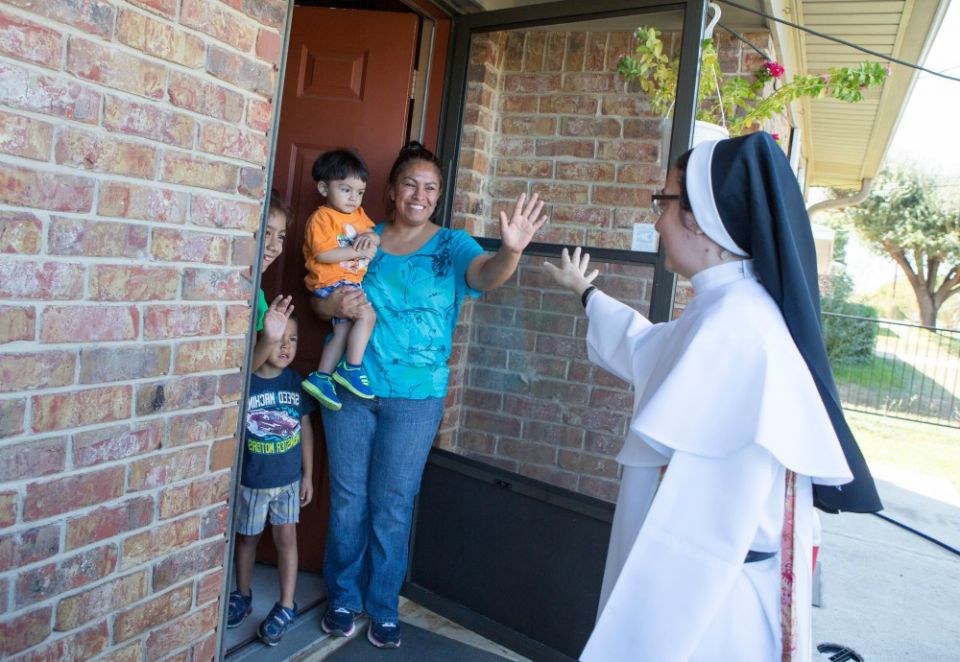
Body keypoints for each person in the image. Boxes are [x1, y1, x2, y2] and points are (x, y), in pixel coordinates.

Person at [543, 131, 881, 661]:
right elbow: (647, 349)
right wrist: (586, 294)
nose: (656, 221)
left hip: (705, 617)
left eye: (664, 202)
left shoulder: (738, 330)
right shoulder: (726, 308)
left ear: (698, 217)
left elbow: (700, 537)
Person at [314, 141, 547, 649]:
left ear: (437, 196)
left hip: (416, 399)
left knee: (392, 503)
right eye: (410, 185)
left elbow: (485, 275)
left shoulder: (452, 245)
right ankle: (343, 597)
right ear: (392, 192)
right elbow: (324, 300)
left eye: (430, 187)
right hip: (353, 390)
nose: (420, 195)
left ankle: (382, 604)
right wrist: (334, 304)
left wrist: (511, 251)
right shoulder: (362, 238)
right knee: (349, 500)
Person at [227, 314, 315, 647]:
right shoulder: (247, 381)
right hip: (252, 480)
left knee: (287, 540)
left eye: (292, 339)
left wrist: (308, 473)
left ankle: (286, 605)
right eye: (279, 338)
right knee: (247, 540)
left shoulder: (295, 381)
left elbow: (305, 429)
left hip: (289, 481)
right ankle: (243, 594)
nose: (286, 346)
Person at [301, 149, 380, 411]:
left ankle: (322, 377)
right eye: (346, 190)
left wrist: (373, 239)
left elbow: (372, 232)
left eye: (359, 192)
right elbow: (323, 254)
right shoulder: (321, 218)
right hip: (333, 282)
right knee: (368, 317)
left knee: (343, 330)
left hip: (348, 282)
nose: (353, 198)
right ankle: (351, 368)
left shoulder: (358, 216)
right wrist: (358, 250)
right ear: (324, 188)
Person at [250, 189, 295, 373]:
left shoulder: (256, 296)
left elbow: (246, 370)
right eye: (266, 233)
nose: (274, 246)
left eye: (281, 236)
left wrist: (270, 339)